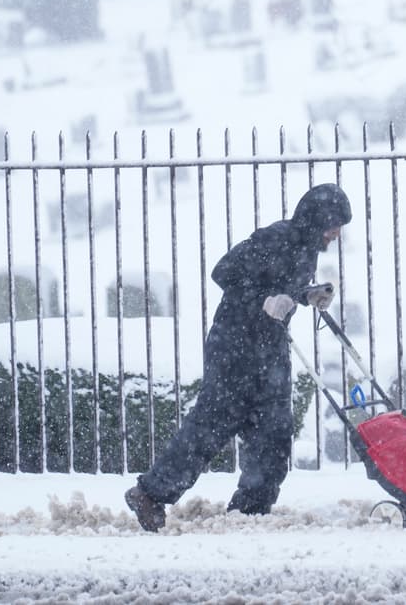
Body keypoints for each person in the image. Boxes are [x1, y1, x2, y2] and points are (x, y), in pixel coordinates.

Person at [125, 182, 352, 531]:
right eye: (333, 226)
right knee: (211, 427)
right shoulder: (273, 239)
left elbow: (283, 289)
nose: (335, 235)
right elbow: (224, 272)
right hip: (234, 346)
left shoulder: (307, 251)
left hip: (270, 349)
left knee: (274, 433)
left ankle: (249, 513)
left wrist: (307, 295)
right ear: (318, 219)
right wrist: (263, 300)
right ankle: (150, 494)